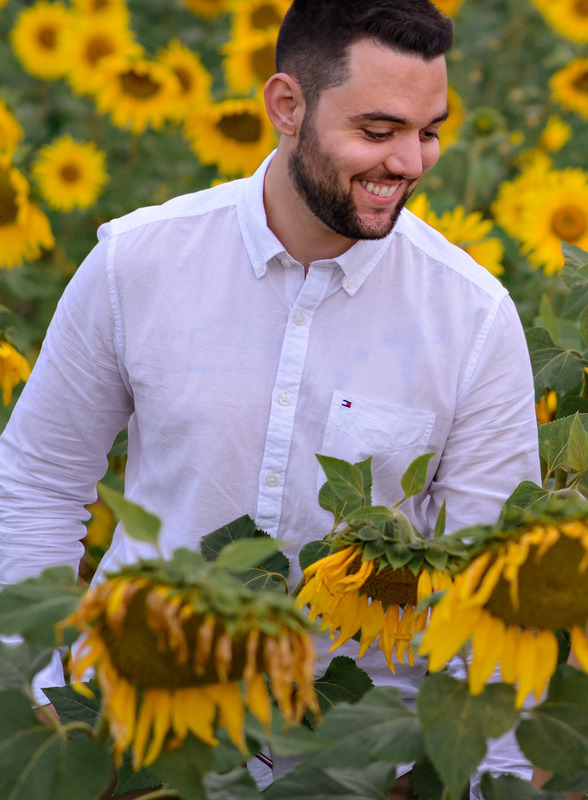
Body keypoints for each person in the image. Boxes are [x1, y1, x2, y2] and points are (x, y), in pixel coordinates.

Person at [0, 0, 539, 796]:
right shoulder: (139, 262)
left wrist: (490, 775)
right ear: (287, 107)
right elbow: (37, 488)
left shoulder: (471, 316)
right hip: (137, 732)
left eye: (429, 131)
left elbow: (490, 585)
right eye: (379, 131)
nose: (411, 163)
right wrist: (42, 695)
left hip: (353, 758)